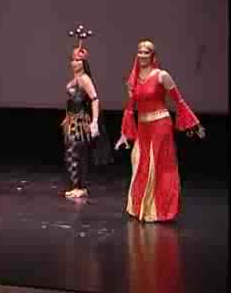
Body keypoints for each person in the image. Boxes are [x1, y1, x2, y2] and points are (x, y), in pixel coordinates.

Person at [115, 39, 205, 222]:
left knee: (157, 165)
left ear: (153, 56)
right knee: (140, 163)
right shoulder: (133, 79)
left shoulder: (162, 75)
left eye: (146, 52)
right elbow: (130, 108)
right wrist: (124, 133)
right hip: (143, 127)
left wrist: (193, 124)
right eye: (140, 51)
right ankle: (142, 208)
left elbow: (179, 101)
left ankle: (159, 210)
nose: (142, 55)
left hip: (159, 125)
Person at [61, 26, 113, 198]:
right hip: (72, 119)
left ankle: (79, 186)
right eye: (73, 60)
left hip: (80, 121)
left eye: (78, 60)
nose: (74, 63)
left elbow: (95, 99)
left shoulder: (84, 79)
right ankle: (77, 185)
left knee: (76, 153)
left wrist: (94, 121)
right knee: (72, 152)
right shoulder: (75, 79)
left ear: (83, 63)